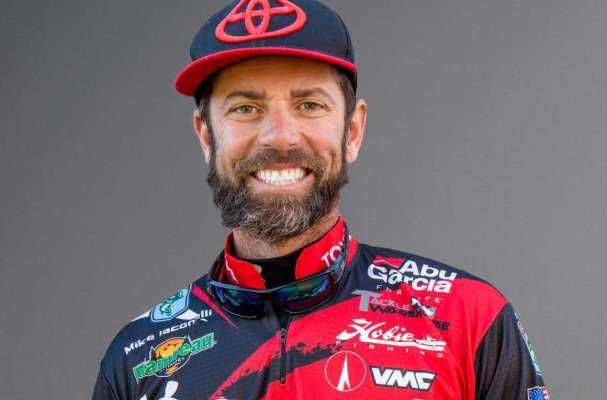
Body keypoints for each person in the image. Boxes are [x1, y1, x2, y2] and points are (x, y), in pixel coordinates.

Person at [93, 1, 549, 399]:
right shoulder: (139, 359)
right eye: (245, 108)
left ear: (353, 131)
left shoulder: (469, 319)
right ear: (206, 136)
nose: (280, 137)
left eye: (309, 105)